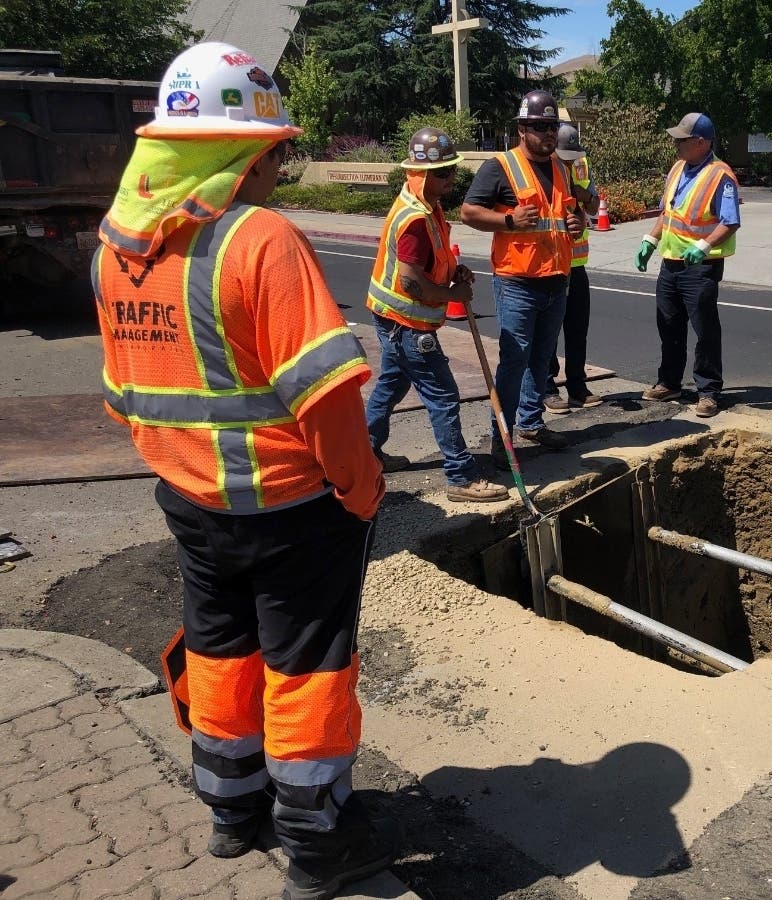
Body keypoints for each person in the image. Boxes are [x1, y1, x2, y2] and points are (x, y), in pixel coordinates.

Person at [92, 42, 396, 899]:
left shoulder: (118, 249)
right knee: (307, 667)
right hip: (293, 507)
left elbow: (124, 395)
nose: (278, 170)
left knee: (221, 651)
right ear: (245, 151)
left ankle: (231, 811)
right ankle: (315, 840)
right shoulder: (258, 240)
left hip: (189, 502)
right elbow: (328, 400)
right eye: (276, 153)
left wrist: (185, 467)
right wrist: (361, 490)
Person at [364, 126, 509, 503]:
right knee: (443, 395)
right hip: (407, 324)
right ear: (422, 173)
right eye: (444, 173)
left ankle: (365, 455)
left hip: (393, 320)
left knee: (391, 386)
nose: (451, 179)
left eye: (452, 171)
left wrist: (453, 270)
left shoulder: (427, 205)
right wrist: (451, 293)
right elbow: (411, 283)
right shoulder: (414, 219)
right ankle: (461, 477)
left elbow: (432, 261)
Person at [460, 90, 584, 469]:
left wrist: (578, 224)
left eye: (552, 127)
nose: (549, 134)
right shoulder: (500, 167)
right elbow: (468, 212)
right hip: (517, 282)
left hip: (556, 279)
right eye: (540, 127)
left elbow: (570, 215)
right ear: (521, 128)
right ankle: (502, 437)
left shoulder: (561, 168)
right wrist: (508, 221)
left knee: (542, 358)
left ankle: (531, 422)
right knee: (514, 361)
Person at [635, 112, 740, 419]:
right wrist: (649, 241)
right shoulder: (679, 168)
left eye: (682, 140)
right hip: (670, 262)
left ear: (701, 142)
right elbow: (669, 212)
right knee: (668, 324)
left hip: (700, 266)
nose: (676, 144)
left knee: (705, 328)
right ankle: (669, 382)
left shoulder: (721, 175)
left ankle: (708, 391)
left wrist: (704, 245)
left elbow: (730, 221)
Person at [543, 122, 602, 414]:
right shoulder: (540, 171)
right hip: (550, 266)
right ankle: (547, 387)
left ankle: (577, 386)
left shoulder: (579, 166)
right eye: (563, 156)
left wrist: (585, 196)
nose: (568, 161)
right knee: (548, 332)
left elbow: (593, 207)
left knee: (578, 329)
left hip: (576, 264)